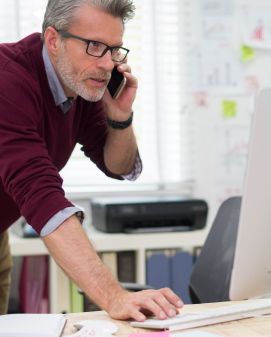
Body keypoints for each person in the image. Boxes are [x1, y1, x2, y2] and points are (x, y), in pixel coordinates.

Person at [0, 0, 183, 320]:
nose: (108, 64)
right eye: (95, 46)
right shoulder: (8, 82)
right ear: (54, 40)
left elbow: (119, 166)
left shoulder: (80, 83)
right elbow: (40, 194)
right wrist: (114, 297)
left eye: (114, 49)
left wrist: (120, 118)